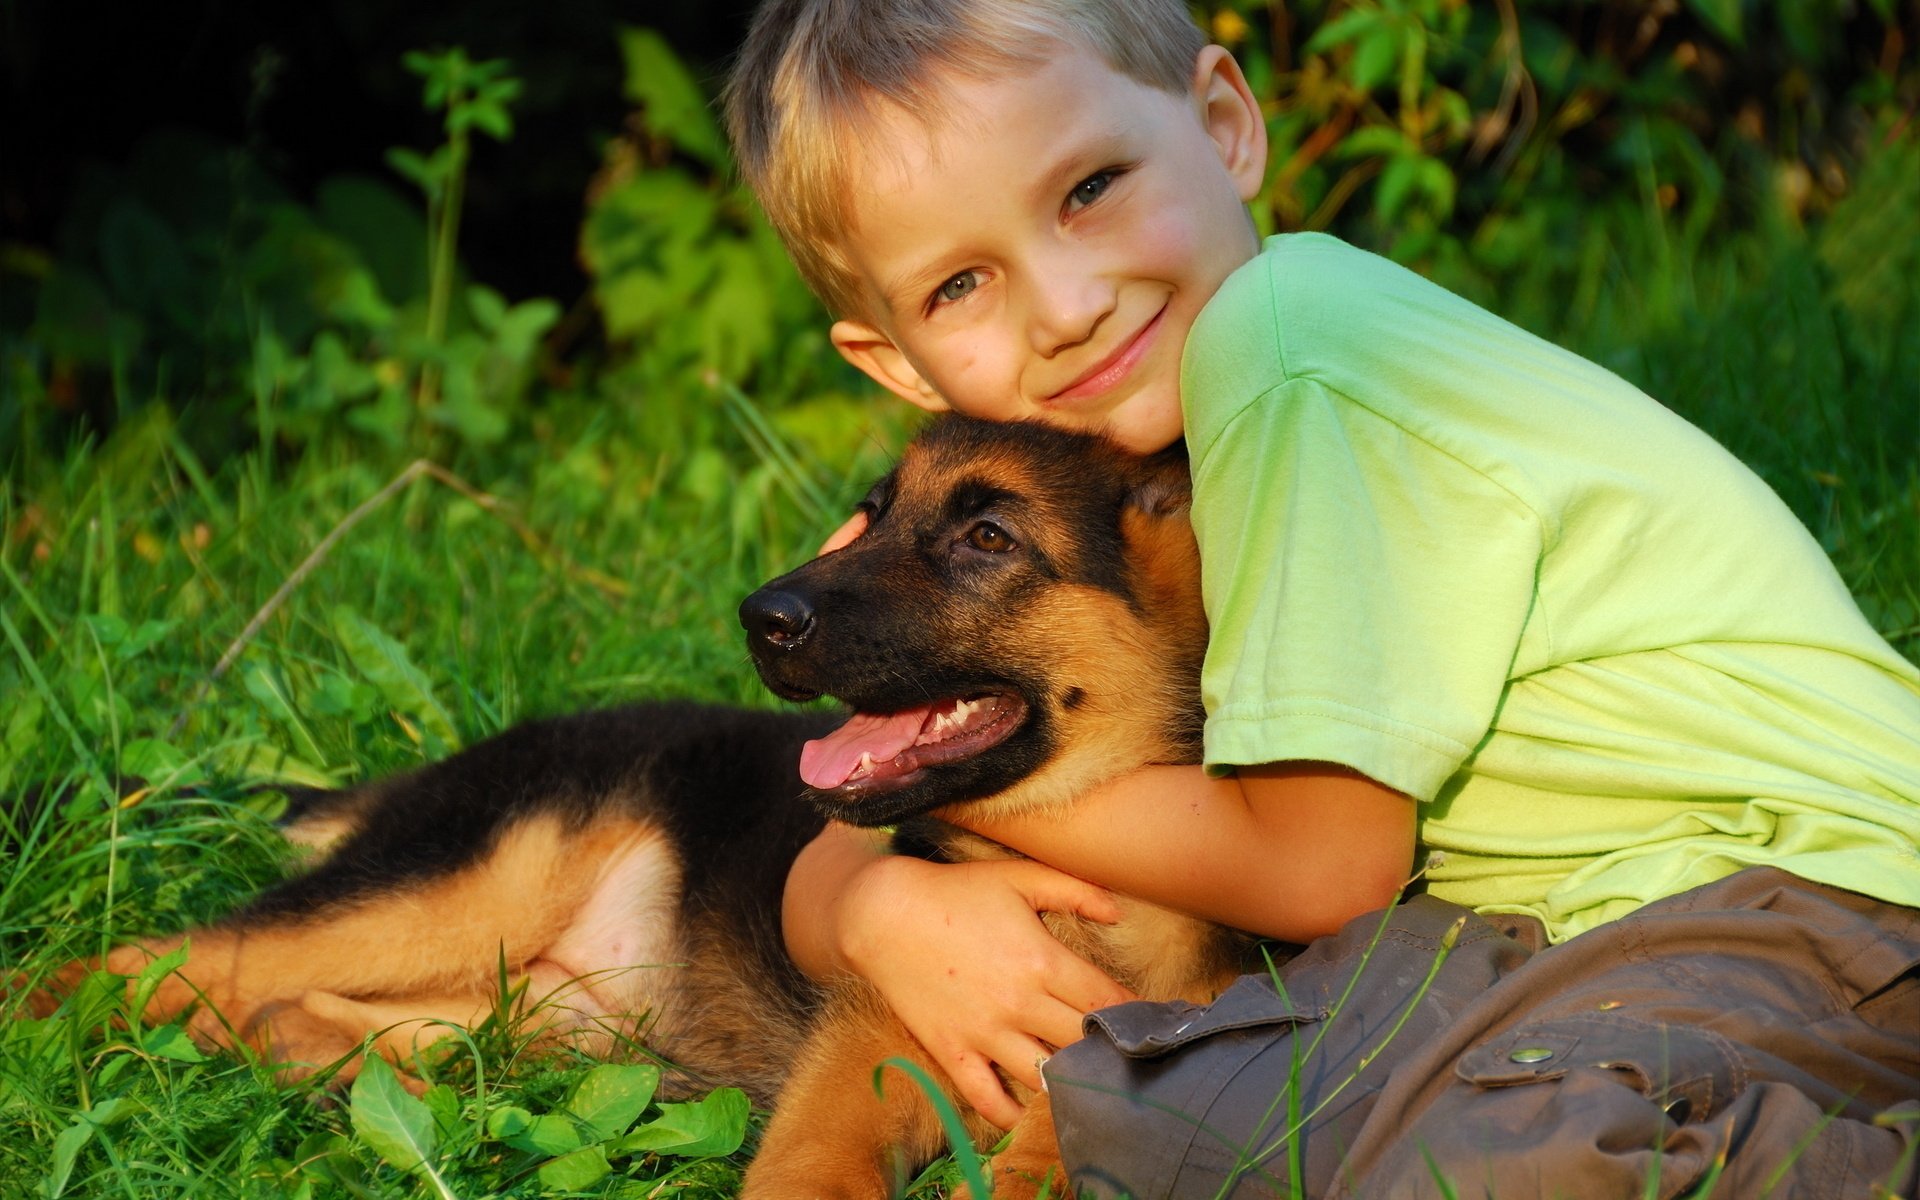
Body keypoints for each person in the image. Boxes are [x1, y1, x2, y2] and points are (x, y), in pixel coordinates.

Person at [721, 1, 1920, 1194]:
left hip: (1810, 892)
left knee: (1500, 1167)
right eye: (961, 283)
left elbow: (1316, 872)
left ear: (1226, 123)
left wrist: (937, 771)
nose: (1066, 301)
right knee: (1154, 1109)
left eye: (1089, 188)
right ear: (895, 363)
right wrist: (876, 885)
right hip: (1554, 926)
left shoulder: (1285, 355)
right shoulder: (1163, 460)